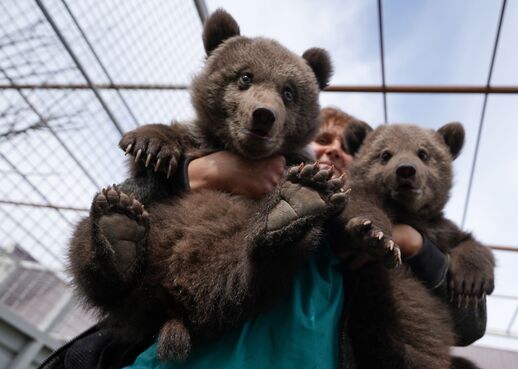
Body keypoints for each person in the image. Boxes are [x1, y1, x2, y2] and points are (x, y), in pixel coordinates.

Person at [39, 107, 487, 369]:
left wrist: (417, 246)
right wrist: (196, 171)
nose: (329, 150)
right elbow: (122, 207)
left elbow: (470, 324)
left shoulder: (373, 227)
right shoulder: (245, 171)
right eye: (320, 139)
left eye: (343, 147)